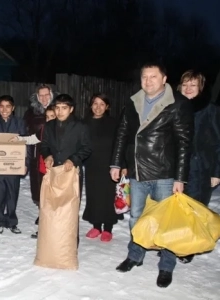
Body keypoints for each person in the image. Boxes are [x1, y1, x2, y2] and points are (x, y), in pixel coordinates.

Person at [110, 62, 194, 288]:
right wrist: (116, 162)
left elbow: (184, 143)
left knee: (167, 222)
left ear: (164, 79)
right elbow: (122, 134)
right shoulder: (132, 102)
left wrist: (180, 178)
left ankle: (166, 266)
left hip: (165, 174)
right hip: (138, 172)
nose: (148, 81)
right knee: (137, 217)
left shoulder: (178, 104)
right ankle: (135, 255)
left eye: (153, 76)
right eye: (144, 77)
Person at [177, 70, 220, 264]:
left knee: (194, 210)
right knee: (176, 208)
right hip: (176, 167)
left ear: (200, 88)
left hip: (200, 169)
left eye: (193, 85)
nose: (188, 88)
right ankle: (175, 243)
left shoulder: (210, 110)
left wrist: (216, 172)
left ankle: (189, 247)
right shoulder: (174, 107)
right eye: (185, 84)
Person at [0, 95, 31, 234]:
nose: (4, 109)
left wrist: (25, 163)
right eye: (1, 106)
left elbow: (25, 144)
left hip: (13, 166)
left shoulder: (19, 123)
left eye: (8, 106)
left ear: (13, 108)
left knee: (12, 194)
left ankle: (11, 221)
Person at [11, 104, 57, 238]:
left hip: (54, 173)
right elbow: (32, 139)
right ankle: (44, 228)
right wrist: (19, 139)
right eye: (47, 117)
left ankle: (52, 229)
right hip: (42, 171)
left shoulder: (61, 132)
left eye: (52, 116)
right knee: (44, 201)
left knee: (52, 202)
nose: (49, 120)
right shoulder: (43, 129)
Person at [82, 94, 123, 242]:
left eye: (102, 104)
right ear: (91, 105)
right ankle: (96, 226)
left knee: (107, 197)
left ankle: (108, 229)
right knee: (94, 196)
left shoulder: (113, 123)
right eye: (95, 103)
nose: (98, 107)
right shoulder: (84, 123)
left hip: (109, 166)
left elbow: (120, 144)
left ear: (107, 107)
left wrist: (120, 164)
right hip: (92, 165)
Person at [40, 94, 92, 198]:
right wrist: (48, 155)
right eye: (57, 108)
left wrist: (73, 159)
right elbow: (44, 144)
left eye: (64, 108)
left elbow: (87, 147)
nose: (60, 112)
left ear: (71, 109)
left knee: (70, 207)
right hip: (53, 170)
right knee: (52, 204)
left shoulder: (80, 126)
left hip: (71, 171)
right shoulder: (49, 125)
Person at [23, 85, 59, 212]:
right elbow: (30, 136)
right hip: (37, 155)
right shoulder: (31, 112)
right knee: (39, 185)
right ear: (37, 97)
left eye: (46, 95)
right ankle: (43, 213)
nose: (44, 98)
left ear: (52, 95)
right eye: (41, 95)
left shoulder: (59, 109)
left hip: (56, 156)